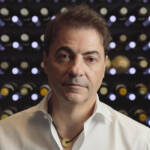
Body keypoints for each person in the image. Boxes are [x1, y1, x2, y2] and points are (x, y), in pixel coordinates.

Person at [0, 4, 150, 150]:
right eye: (64, 56)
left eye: (90, 59)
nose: (76, 70)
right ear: (46, 61)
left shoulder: (140, 141)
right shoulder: (4, 137)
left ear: (104, 66)